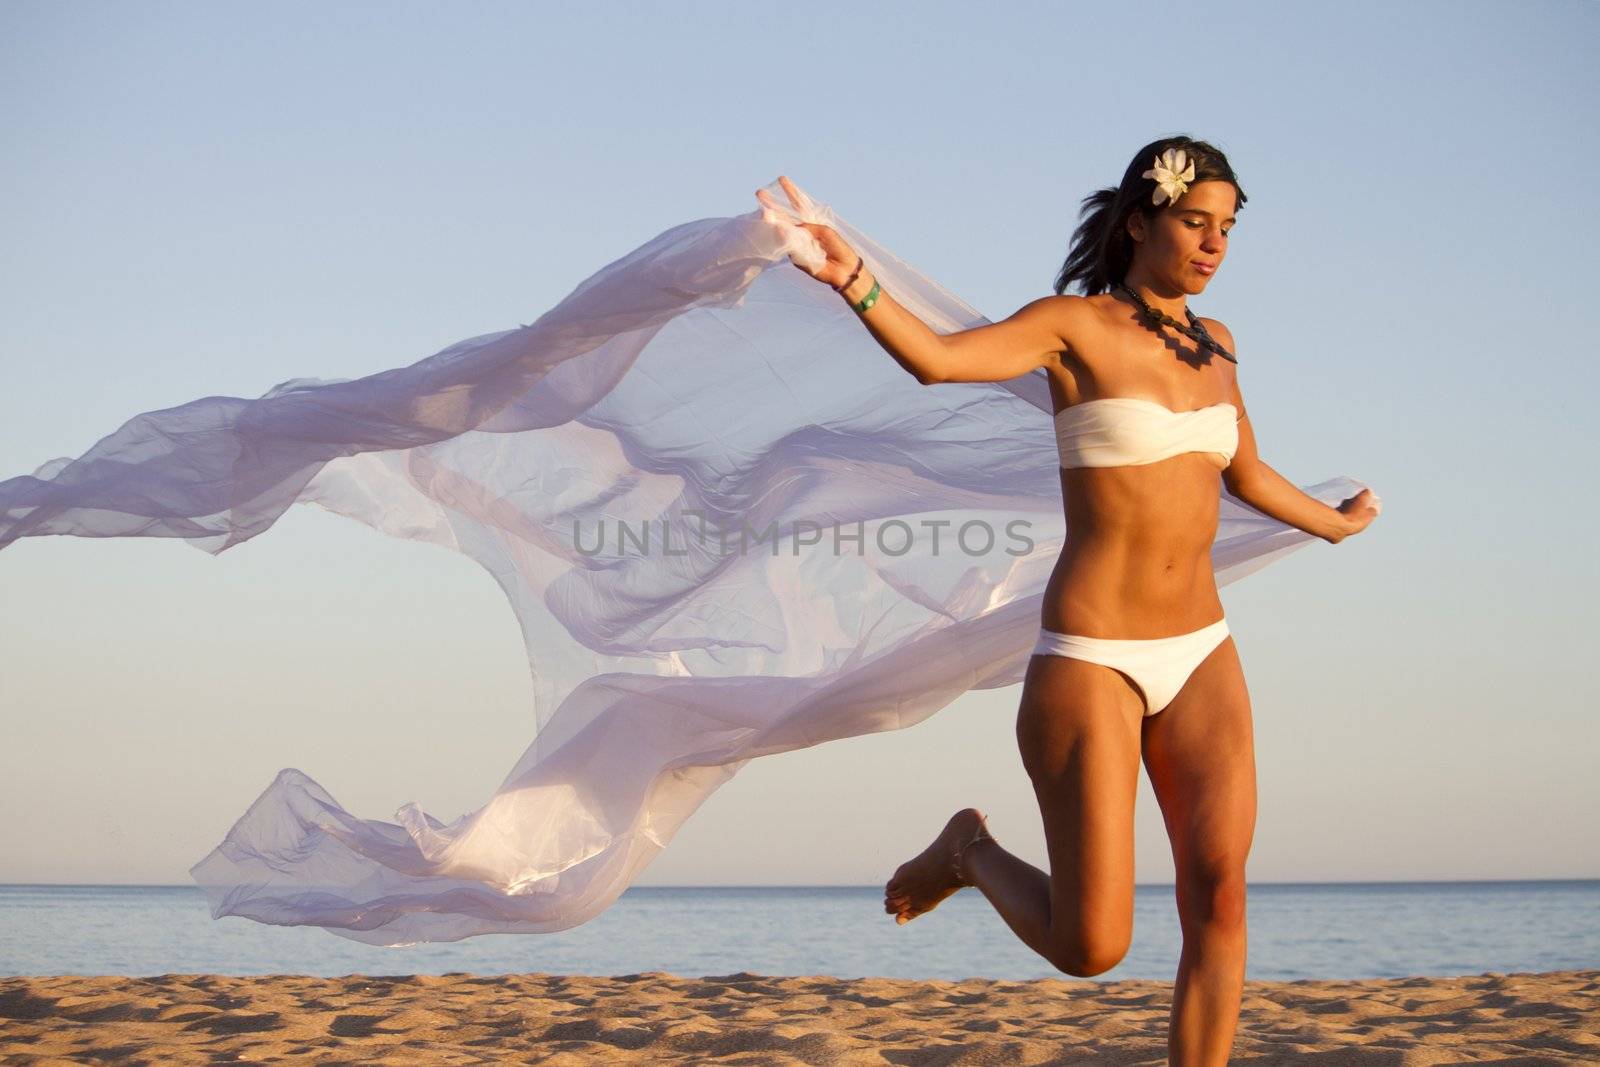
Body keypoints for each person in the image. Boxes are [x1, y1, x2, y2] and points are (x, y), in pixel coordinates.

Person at [757, 137, 1381, 1065]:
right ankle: (968, 849)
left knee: (1221, 897)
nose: (1212, 244)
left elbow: (1243, 468)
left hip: (1201, 647)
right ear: (1139, 221)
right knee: (1094, 946)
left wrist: (1332, 524)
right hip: (1093, 658)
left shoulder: (1219, 347)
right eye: (1193, 222)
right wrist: (857, 281)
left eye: (1226, 229)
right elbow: (938, 360)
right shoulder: (1072, 327)